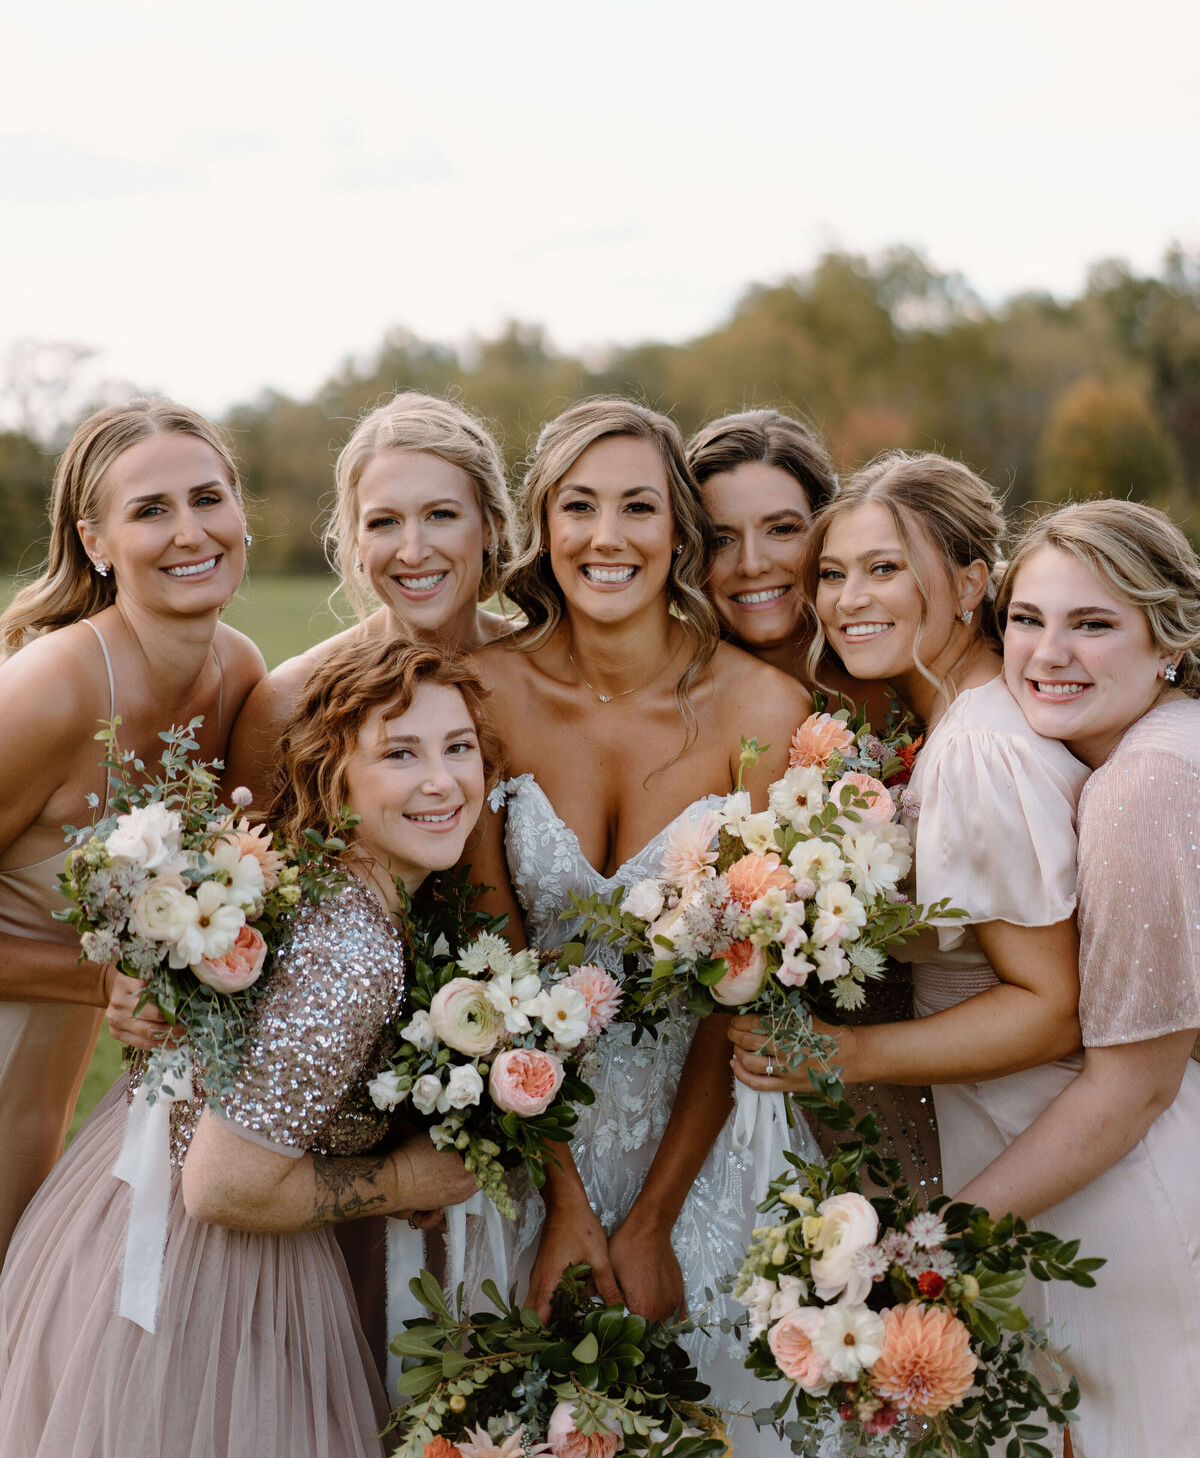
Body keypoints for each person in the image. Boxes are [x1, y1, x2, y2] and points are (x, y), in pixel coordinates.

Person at [0, 636, 486, 1458]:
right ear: (335, 782)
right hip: (204, 1280)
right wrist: (403, 1177)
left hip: (117, 1212)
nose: (442, 780)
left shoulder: (326, 888)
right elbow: (224, 1187)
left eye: (460, 747)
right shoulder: (349, 958)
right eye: (401, 754)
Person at [466, 399, 814, 1451]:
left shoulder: (764, 712)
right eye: (579, 505)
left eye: (639, 507)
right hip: (530, 1147)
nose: (607, 536)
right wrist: (564, 1204)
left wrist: (655, 1218)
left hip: (708, 1145)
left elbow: (744, 985)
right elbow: (490, 971)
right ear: (543, 524)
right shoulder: (480, 695)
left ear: (679, 535)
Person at [730, 452, 1087, 1220]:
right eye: (832, 574)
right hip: (999, 1135)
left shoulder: (978, 747)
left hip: (1048, 1152)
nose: (848, 600)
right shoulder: (956, 726)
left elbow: (1052, 1006)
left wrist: (847, 1053)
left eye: (884, 568)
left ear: (969, 583)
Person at [957, 500, 1200, 1456]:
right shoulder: (1161, 750)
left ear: (1170, 641)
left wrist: (936, 1238)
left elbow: (1135, 1088)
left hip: (1150, 1204)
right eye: (1028, 619)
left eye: (1093, 624)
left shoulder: (1144, 788)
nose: (1048, 653)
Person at [0, 398, 265, 1264]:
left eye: (207, 499)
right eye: (151, 510)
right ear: (96, 541)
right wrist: (101, 982)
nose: (190, 532)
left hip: (56, 1087)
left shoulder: (238, 672)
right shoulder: (55, 687)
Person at [227, 390, 515, 805]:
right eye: (384, 522)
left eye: (441, 515)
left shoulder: (548, 671)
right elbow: (246, 858)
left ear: (491, 527)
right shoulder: (290, 697)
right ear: (357, 542)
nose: (413, 551)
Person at [685, 408, 892, 725]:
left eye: (781, 529)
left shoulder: (901, 673)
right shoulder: (668, 698)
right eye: (721, 539)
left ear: (826, 530)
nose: (752, 565)